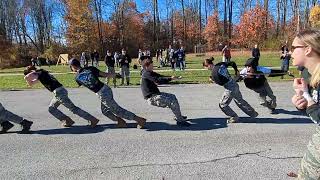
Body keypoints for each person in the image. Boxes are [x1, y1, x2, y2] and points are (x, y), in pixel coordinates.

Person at [69, 58, 146, 129]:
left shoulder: (77, 78)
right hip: (105, 89)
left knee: (117, 110)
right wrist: (115, 75)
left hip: (102, 93)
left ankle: (139, 120)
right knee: (105, 111)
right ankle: (120, 121)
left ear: (73, 66)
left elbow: (83, 83)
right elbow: (105, 74)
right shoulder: (90, 68)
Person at [287, 29, 320, 180]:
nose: (290, 52)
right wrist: (302, 103)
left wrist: (310, 103)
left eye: (294, 48)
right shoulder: (307, 74)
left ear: (308, 49)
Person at [23, 66, 99, 128]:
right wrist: (27, 79)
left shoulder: (38, 73)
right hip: (59, 92)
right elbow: (31, 84)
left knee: (73, 109)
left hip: (59, 92)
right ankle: (67, 120)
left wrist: (27, 77)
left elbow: (30, 76)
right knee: (52, 109)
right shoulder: (41, 73)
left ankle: (92, 119)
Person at [203, 58, 258, 123]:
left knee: (222, 105)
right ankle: (253, 113)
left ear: (209, 65)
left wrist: (213, 80)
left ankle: (234, 117)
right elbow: (232, 63)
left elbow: (221, 83)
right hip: (234, 83)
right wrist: (236, 70)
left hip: (229, 88)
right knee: (239, 101)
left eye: (206, 68)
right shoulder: (220, 64)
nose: (207, 69)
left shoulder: (214, 73)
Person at [140, 56, 190, 127]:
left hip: (156, 94)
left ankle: (178, 116)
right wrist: (170, 79)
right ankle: (180, 121)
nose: (153, 67)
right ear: (146, 67)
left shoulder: (149, 72)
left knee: (173, 97)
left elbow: (161, 76)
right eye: (151, 66)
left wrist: (172, 77)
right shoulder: (146, 73)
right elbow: (158, 80)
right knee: (172, 102)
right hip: (152, 98)